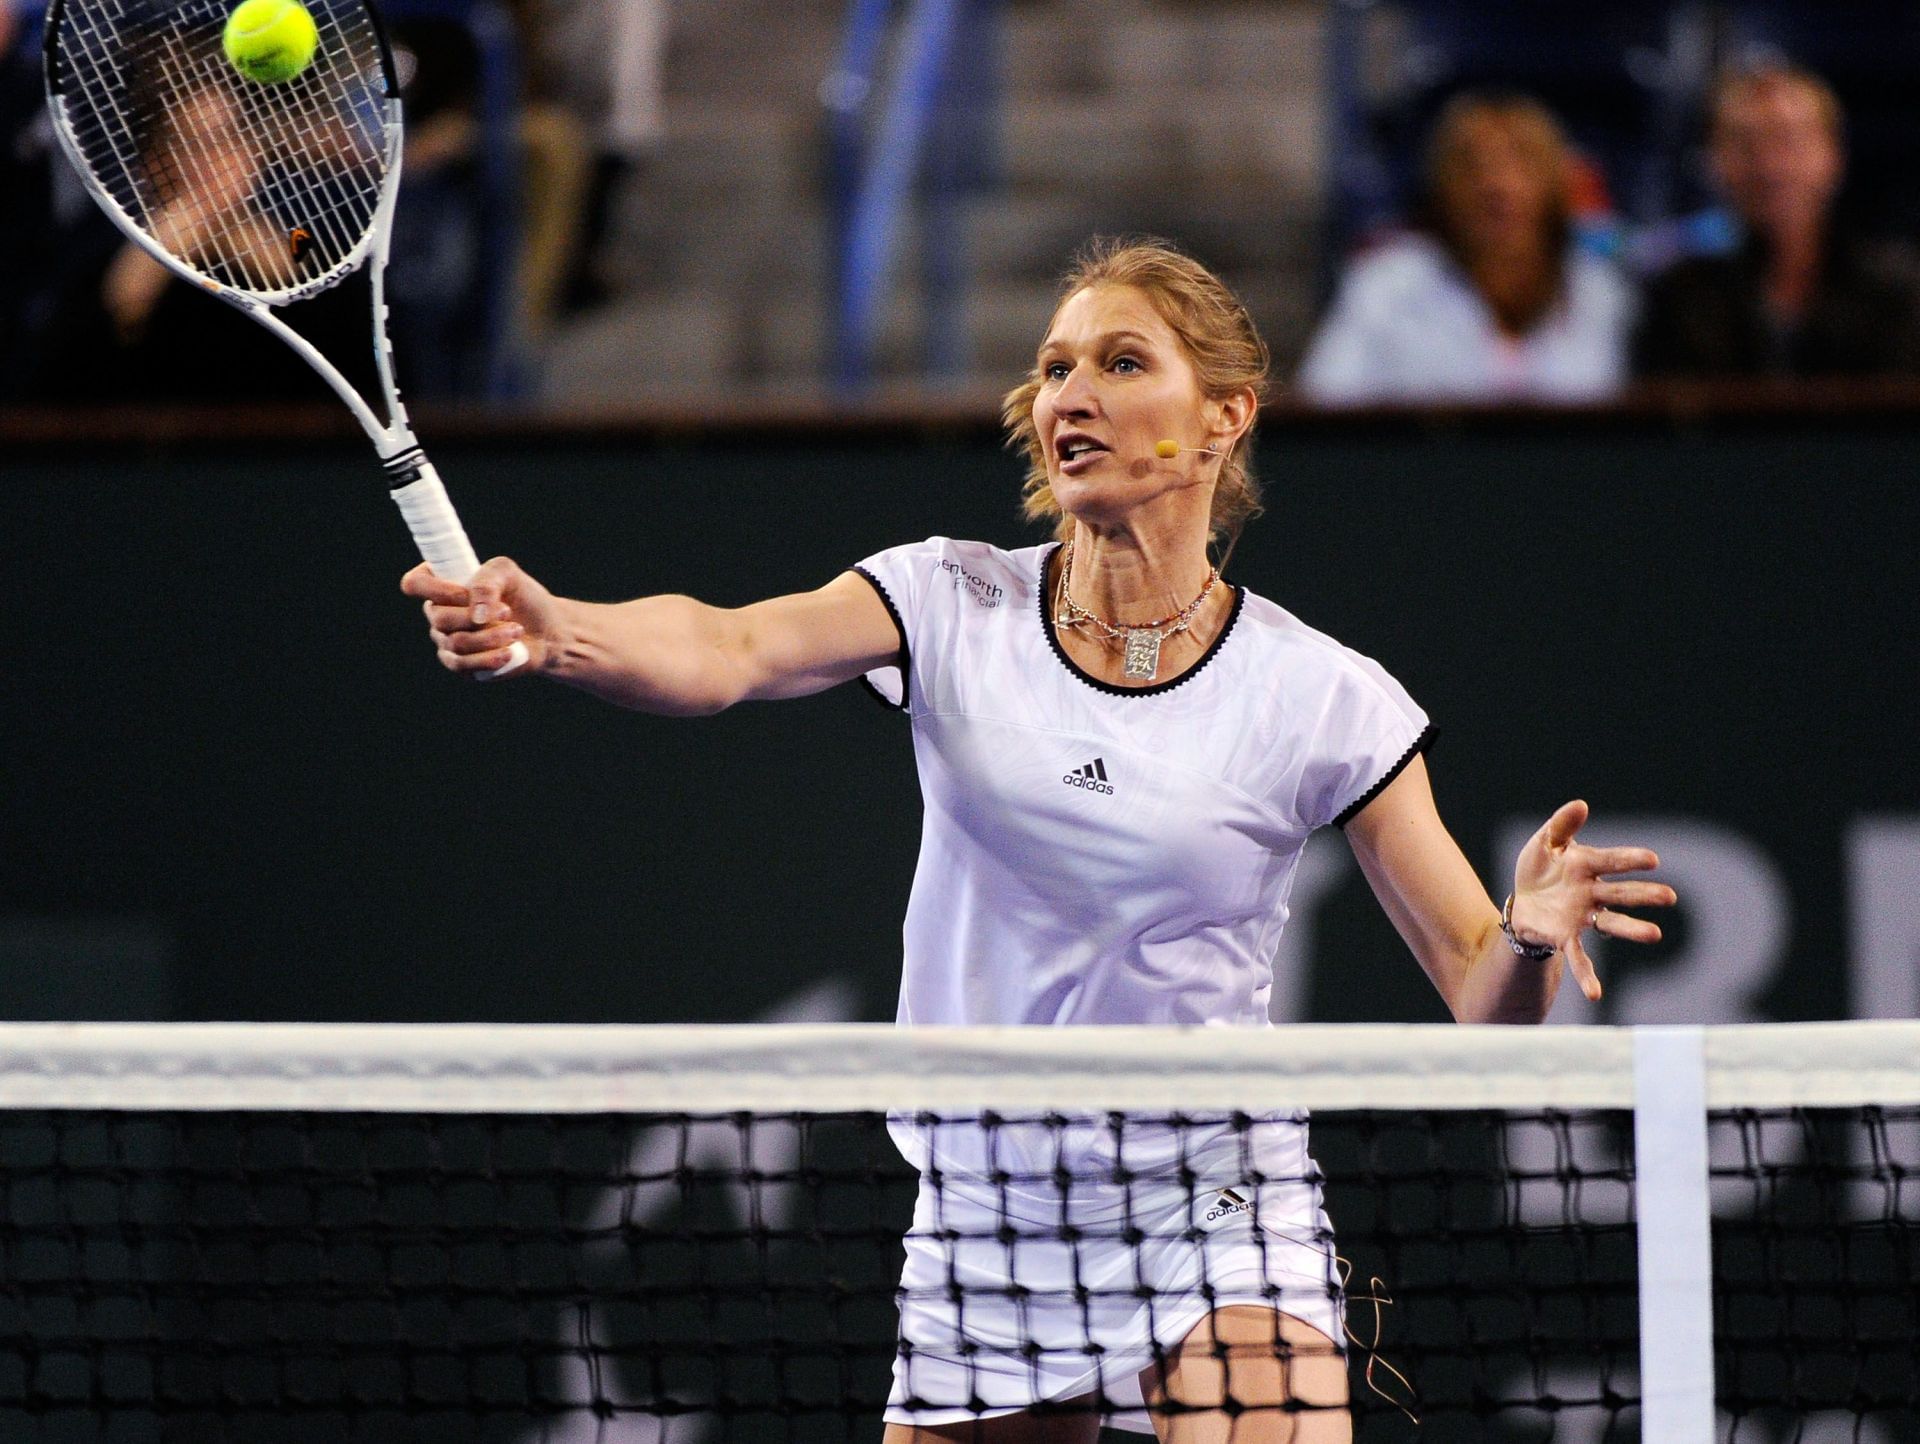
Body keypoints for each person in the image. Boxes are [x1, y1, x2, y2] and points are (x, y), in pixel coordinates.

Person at [404, 238, 1675, 1441]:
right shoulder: (948, 599)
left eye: (1124, 363)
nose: (1074, 392)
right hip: (989, 1206)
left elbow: (1482, 1002)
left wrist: (1518, 935)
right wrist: (559, 628)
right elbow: (729, 648)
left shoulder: (1320, 694)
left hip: (1210, 1186)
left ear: (1226, 414)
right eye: (1057, 365)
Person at [1298, 92, 1634, 405]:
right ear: (1441, 187)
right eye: (1472, 165)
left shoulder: (1600, 293)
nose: (1496, 186)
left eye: (1521, 162)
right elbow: (1321, 414)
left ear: (1555, 184)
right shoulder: (1386, 285)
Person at [1633, 62, 1920, 378]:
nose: (1770, 167)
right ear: (1715, 162)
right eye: (1746, 144)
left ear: (1833, 155)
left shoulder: (1900, 291)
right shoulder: (1679, 300)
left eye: (1789, 141)